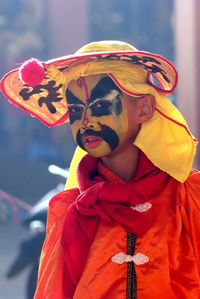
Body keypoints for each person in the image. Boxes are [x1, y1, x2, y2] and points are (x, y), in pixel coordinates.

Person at [1, 40, 200, 299]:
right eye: (75, 109)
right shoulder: (68, 208)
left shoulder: (188, 198)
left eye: (100, 106)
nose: (86, 122)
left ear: (144, 109)